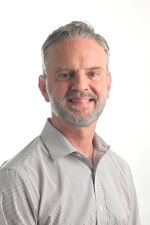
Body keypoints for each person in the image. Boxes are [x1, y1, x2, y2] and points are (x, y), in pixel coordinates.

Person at [0, 21, 141, 225]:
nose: (81, 86)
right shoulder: (17, 179)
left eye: (92, 73)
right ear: (43, 87)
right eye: (66, 75)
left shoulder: (120, 170)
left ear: (108, 84)